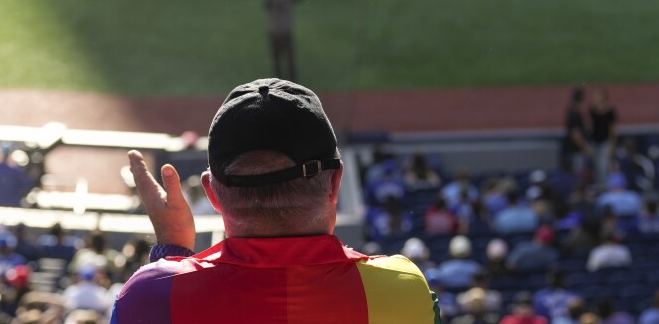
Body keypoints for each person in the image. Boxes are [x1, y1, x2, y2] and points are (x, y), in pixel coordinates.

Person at [112, 78, 440, 322]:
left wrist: (172, 252)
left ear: (213, 194)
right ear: (335, 183)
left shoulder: (148, 297)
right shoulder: (404, 290)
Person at [263, 0, 306, 80]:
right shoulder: (272, 0)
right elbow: (266, 4)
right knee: (277, 62)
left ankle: (293, 82)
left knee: (290, 61)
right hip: (275, 34)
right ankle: (277, 82)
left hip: (286, 33)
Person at [588, 86, 618, 184]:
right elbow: (589, 126)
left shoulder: (610, 112)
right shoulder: (592, 110)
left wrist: (612, 145)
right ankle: (596, 185)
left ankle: (604, 186)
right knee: (595, 166)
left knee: (604, 166)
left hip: (605, 142)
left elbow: (612, 130)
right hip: (594, 142)